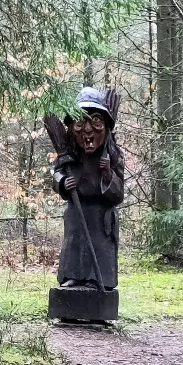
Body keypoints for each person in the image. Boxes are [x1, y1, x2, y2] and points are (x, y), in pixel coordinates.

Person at [52, 86, 125, 291]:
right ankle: (72, 277)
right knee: (74, 245)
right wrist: (63, 183)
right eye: (80, 122)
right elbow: (56, 173)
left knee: (101, 248)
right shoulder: (69, 156)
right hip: (76, 210)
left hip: (102, 215)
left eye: (95, 122)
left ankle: (97, 280)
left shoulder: (113, 156)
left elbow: (119, 193)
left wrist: (108, 174)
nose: (87, 130)